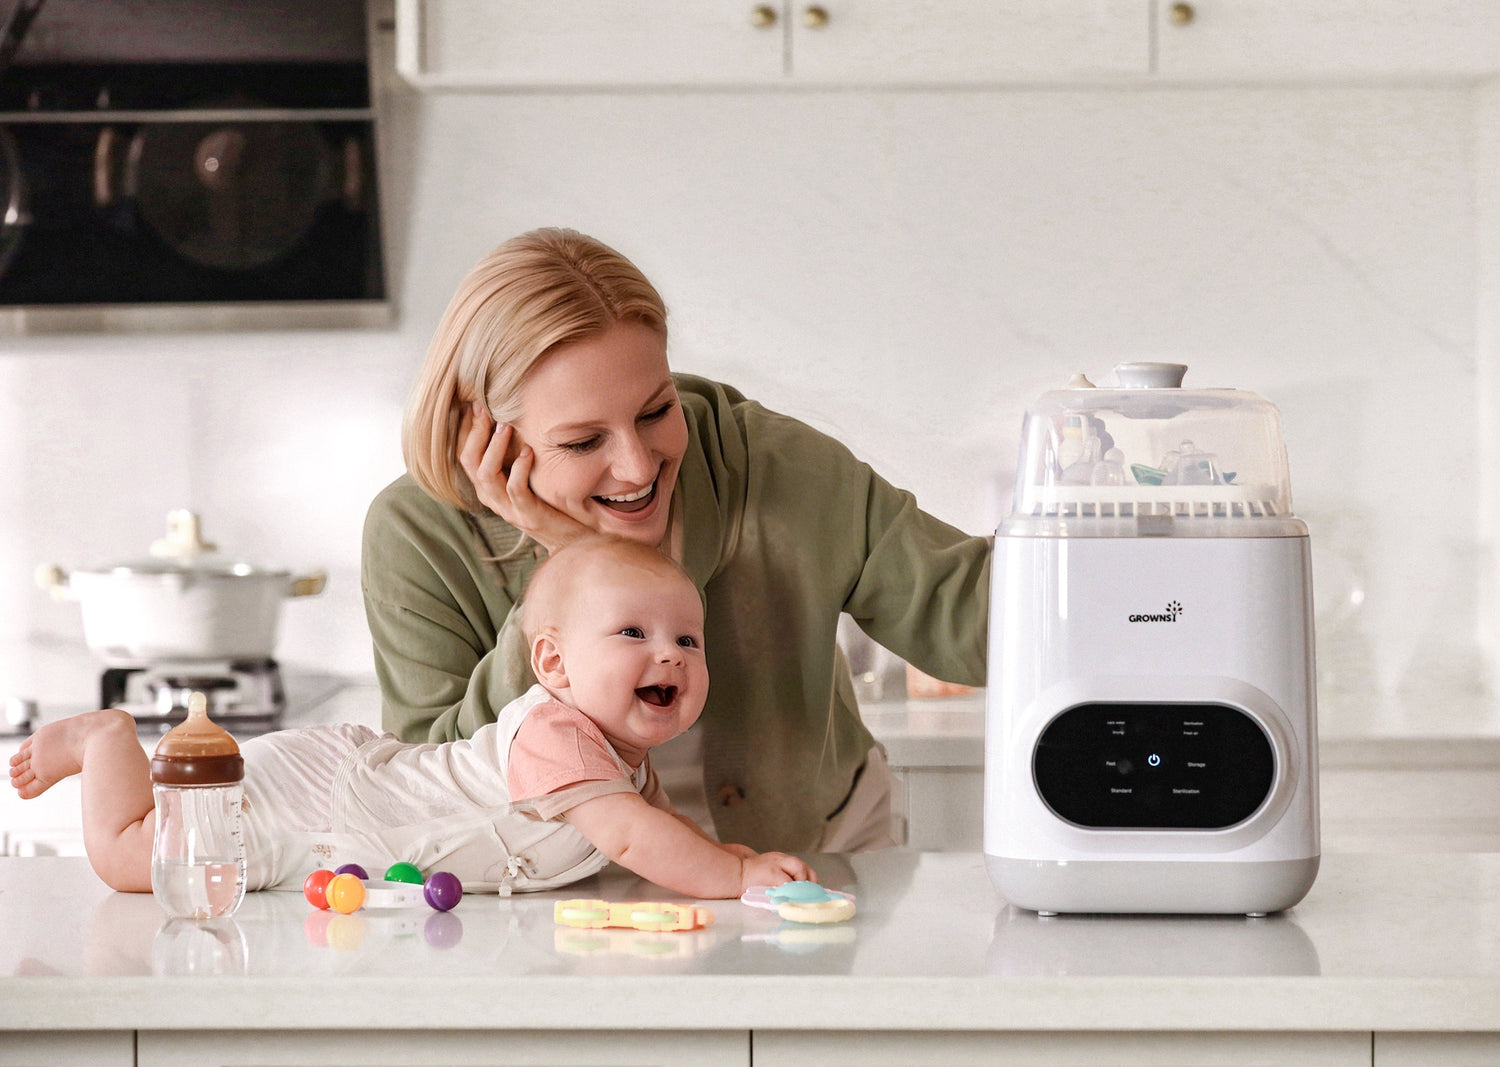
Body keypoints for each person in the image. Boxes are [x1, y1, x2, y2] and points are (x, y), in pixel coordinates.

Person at [363, 227, 991, 856]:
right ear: (488, 435)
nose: (638, 467)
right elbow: (429, 791)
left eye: (657, 411)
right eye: (583, 442)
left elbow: (969, 619)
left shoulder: (774, 464)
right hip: (559, 894)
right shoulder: (417, 535)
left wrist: (1076, 522)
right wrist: (574, 565)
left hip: (818, 851)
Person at [9, 535, 815, 899]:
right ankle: (104, 736)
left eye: (687, 638)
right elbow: (635, 839)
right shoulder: (557, 736)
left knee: (171, 835)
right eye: (634, 633)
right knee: (134, 857)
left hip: (357, 799)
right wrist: (733, 876)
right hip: (323, 805)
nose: (670, 654)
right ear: (555, 665)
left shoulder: (616, 759)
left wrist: (715, 858)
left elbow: (650, 827)